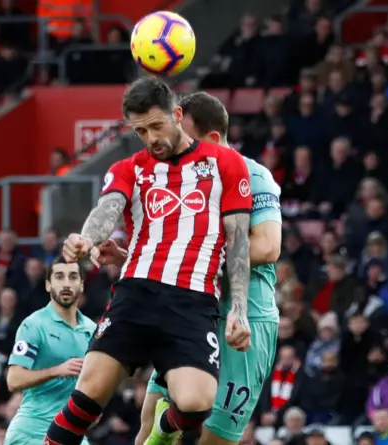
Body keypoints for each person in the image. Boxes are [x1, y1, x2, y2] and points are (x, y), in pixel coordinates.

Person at [46, 76, 253, 445]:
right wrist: (86, 237)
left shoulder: (226, 163)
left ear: (176, 114)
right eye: (141, 131)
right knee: (86, 399)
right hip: (135, 294)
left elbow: (238, 242)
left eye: (157, 126)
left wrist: (238, 308)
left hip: (193, 301)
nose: (151, 138)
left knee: (195, 406)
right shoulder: (131, 167)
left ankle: (164, 427)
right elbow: (107, 208)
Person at [93, 91, 282, 445]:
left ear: (211, 139)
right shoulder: (179, 174)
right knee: (148, 424)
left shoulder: (254, 175)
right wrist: (131, 255)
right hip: (188, 314)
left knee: (211, 439)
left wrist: (198, 256)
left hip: (244, 320)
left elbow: (269, 246)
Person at [4, 257, 96, 445]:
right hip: (32, 432)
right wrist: (56, 370)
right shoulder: (34, 325)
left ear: (81, 285)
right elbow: (13, 380)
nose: (66, 284)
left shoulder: (92, 330)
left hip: (73, 432)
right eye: (59, 277)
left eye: (72, 277)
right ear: (48, 285)